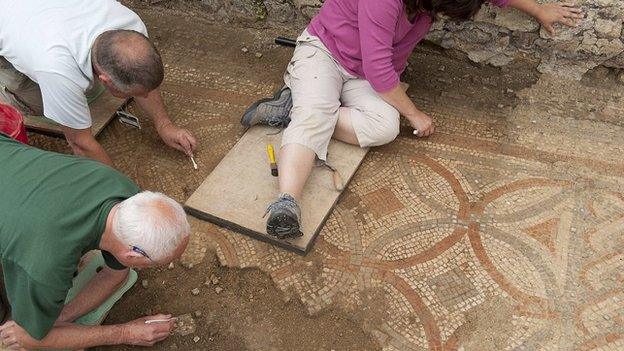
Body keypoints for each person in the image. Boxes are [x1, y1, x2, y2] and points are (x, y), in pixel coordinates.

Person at [241, 0, 582, 239]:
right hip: (327, 53)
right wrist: (414, 114)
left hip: (364, 75)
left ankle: (293, 108)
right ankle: (286, 201)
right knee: (316, 116)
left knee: (384, 128)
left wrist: (538, 9)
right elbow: (379, 70)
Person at [0, 132, 191, 350]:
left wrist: (61, 316)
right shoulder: (48, 263)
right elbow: (29, 339)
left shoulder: (122, 192)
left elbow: (116, 273)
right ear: (133, 256)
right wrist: (126, 332)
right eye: (156, 264)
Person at [0, 0, 197, 167]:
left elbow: (143, 80)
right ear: (105, 80)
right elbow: (80, 144)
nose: (144, 96)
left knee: (79, 97)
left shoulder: (131, 28)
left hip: (35, 14)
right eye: (136, 93)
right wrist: (124, 196)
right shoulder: (56, 69)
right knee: (42, 103)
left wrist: (164, 125)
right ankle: (6, 91)